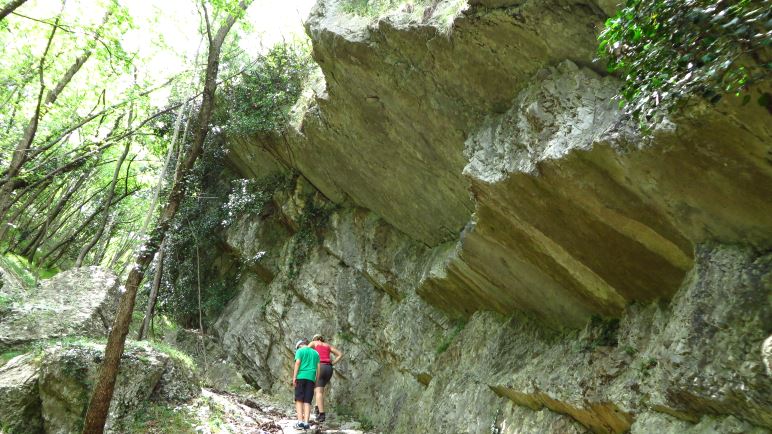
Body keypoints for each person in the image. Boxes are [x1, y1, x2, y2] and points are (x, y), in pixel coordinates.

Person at [308, 334, 343, 423]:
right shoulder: (328, 345)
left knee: (318, 391)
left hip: (321, 367)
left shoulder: (314, 343)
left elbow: (306, 351)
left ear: (315, 339)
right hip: (329, 369)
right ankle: (317, 408)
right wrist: (332, 363)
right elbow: (340, 354)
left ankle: (322, 414)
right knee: (320, 389)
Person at [292, 338, 320, 430]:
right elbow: (318, 368)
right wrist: (316, 380)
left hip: (301, 377)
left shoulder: (300, 351)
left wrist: (294, 377)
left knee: (299, 400)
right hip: (311, 378)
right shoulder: (316, 353)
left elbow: (298, 363)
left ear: (299, 345)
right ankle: (306, 423)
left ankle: (300, 422)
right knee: (307, 401)